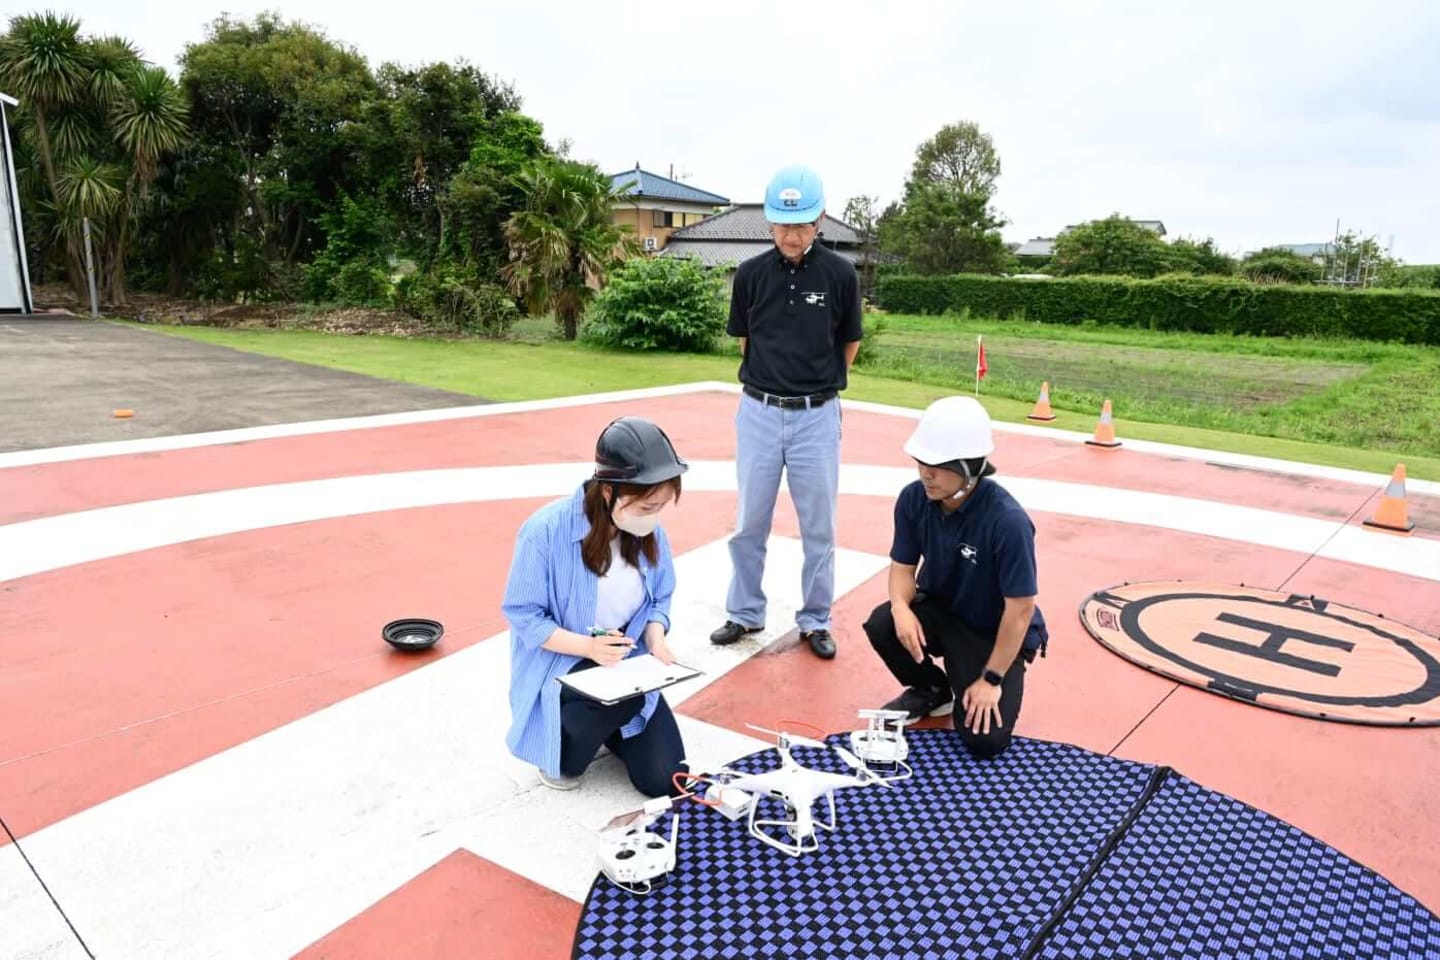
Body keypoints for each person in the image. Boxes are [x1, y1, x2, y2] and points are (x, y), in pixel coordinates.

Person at [709, 163, 864, 661]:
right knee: (749, 522)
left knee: (819, 527)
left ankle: (816, 619)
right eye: (782, 225)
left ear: (818, 221)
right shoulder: (750, 275)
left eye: (800, 226)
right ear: (769, 223)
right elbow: (745, 342)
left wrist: (812, 388)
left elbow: (849, 344)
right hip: (758, 411)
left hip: (816, 416)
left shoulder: (840, 274)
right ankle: (745, 611)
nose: (791, 235)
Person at [502, 416, 689, 795]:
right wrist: (588, 648)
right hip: (565, 663)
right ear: (609, 492)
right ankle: (571, 739)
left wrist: (655, 637)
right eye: (646, 506)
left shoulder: (650, 532)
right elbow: (523, 615)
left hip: (626, 664)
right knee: (566, 771)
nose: (653, 516)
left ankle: (611, 723)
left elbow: (662, 595)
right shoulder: (545, 532)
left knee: (666, 780)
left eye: (661, 506)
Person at [863, 396, 1049, 759]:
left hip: (992, 632)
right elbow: (902, 568)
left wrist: (991, 680)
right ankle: (932, 689)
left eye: (938, 466)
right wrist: (901, 607)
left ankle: (994, 675)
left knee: (985, 742)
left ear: (970, 466)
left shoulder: (1007, 522)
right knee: (884, 622)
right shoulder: (913, 499)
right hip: (943, 611)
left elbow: (1020, 610)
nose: (925, 473)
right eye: (921, 462)